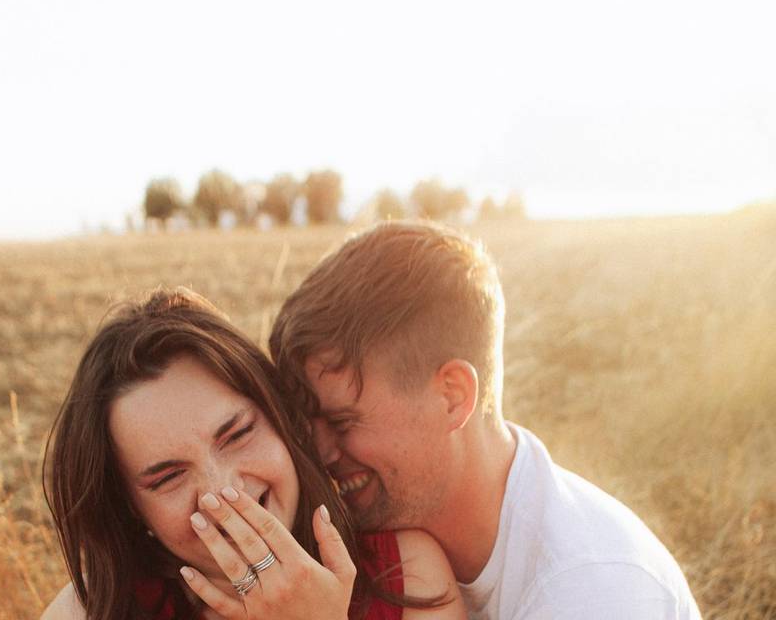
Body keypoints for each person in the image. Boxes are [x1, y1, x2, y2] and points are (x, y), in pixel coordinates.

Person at [269, 221, 701, 619]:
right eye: (307, 424)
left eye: (343, 422)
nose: (320, 452)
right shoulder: (379, 549)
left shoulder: (593, 591)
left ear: (452, 396)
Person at [40, 288, 466, 620]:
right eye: (168, 477)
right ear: (132, 510)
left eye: (238, 434)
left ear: (281, 420)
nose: (225, 491)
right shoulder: (90, 611)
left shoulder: (407, 572)